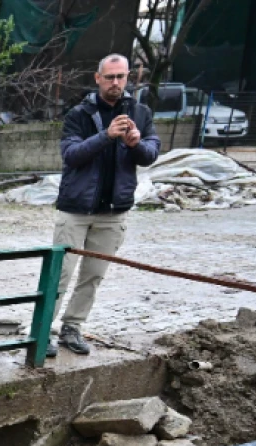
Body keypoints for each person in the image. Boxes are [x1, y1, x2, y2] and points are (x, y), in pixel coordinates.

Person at [51, 53, 159, 357]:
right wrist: (106, 136)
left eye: (121, 77)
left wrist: (136, 143)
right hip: (75, 210)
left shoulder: (139, 112)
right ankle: (44, 329)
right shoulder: (79, 114)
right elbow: (71, 155)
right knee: (59, 274)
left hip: (113, 212)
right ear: (97, 78)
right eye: (109, 77)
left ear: (128, 79)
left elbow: (151, 153)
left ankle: (72, 327)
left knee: (93, 275)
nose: (115, 83)